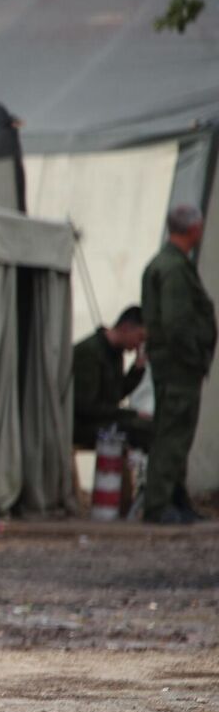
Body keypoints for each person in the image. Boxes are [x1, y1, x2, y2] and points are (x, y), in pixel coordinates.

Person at [139, 205, 214, 524]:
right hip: (178, 365)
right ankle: (159, 504)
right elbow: (176, 322)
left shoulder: (172, 264)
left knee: (178, 432)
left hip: (176, 364)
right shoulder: (172, 269)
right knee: (172, 431)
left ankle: (175, 497)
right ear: (194, 229)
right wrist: (195, 356)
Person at [72, 306, 150, 452]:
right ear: (126, 328)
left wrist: (137, 369)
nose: (139, 345)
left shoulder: (114, 353)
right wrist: (131, 414)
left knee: (148, 426)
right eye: (140, 337)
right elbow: (86, 408)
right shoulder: (90, 353)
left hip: (98, 424)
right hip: (80, 429)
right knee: (139, 431)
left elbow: (115, 395)